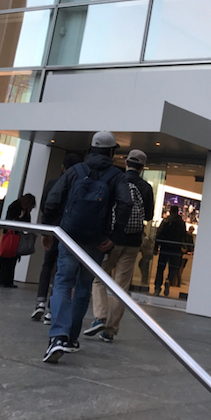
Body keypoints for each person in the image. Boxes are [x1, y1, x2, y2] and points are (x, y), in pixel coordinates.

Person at [41, 131, 122, 363]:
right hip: (97, 241)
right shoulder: (117, 176)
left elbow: (53, 200)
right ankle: (71, 339)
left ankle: (57, 335)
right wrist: (114, 236)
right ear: (112, 151)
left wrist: (48, 229)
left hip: (69, 236)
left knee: (63, 284)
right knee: (84, 287)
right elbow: (125, 206)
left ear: (91, 148)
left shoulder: (75, 172)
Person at [84, 149, 154, 342]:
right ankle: (110, 330)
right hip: (133, 241)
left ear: (126, 163)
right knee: (121, 287)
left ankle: (100, 317)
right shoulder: (146, 187)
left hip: (111, 241)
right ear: (142, 167)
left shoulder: (116, 180)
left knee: (98, 277)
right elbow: (148, 216)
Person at [31, 153, 82, 321]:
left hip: (53, 229)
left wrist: (45, 229)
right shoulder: (79, 184)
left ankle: (40, 301)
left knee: (47, 264)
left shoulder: (53, 183)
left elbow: (46, 205)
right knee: (61, 270)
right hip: (69, 231)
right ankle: (52, 309)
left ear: (63, 167)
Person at [0, 193, 36, 288]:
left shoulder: (23, 209)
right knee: (7, 260)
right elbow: (12, 221)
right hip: (12, 236)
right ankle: (3, 280)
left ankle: (8, 281)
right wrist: (20, 217)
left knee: (12, 260)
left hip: (15, 236)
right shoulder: (15, 207)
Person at [153, 205, 187, 296]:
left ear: (170, 211)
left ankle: (157, 288)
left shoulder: (166, 221)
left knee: (160, 268)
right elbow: (184, 236)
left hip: (164, 247)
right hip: (176, 249)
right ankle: (168, 280)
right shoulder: (181, 223)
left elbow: (159, 234)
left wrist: (156, 247)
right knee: (173, 268)